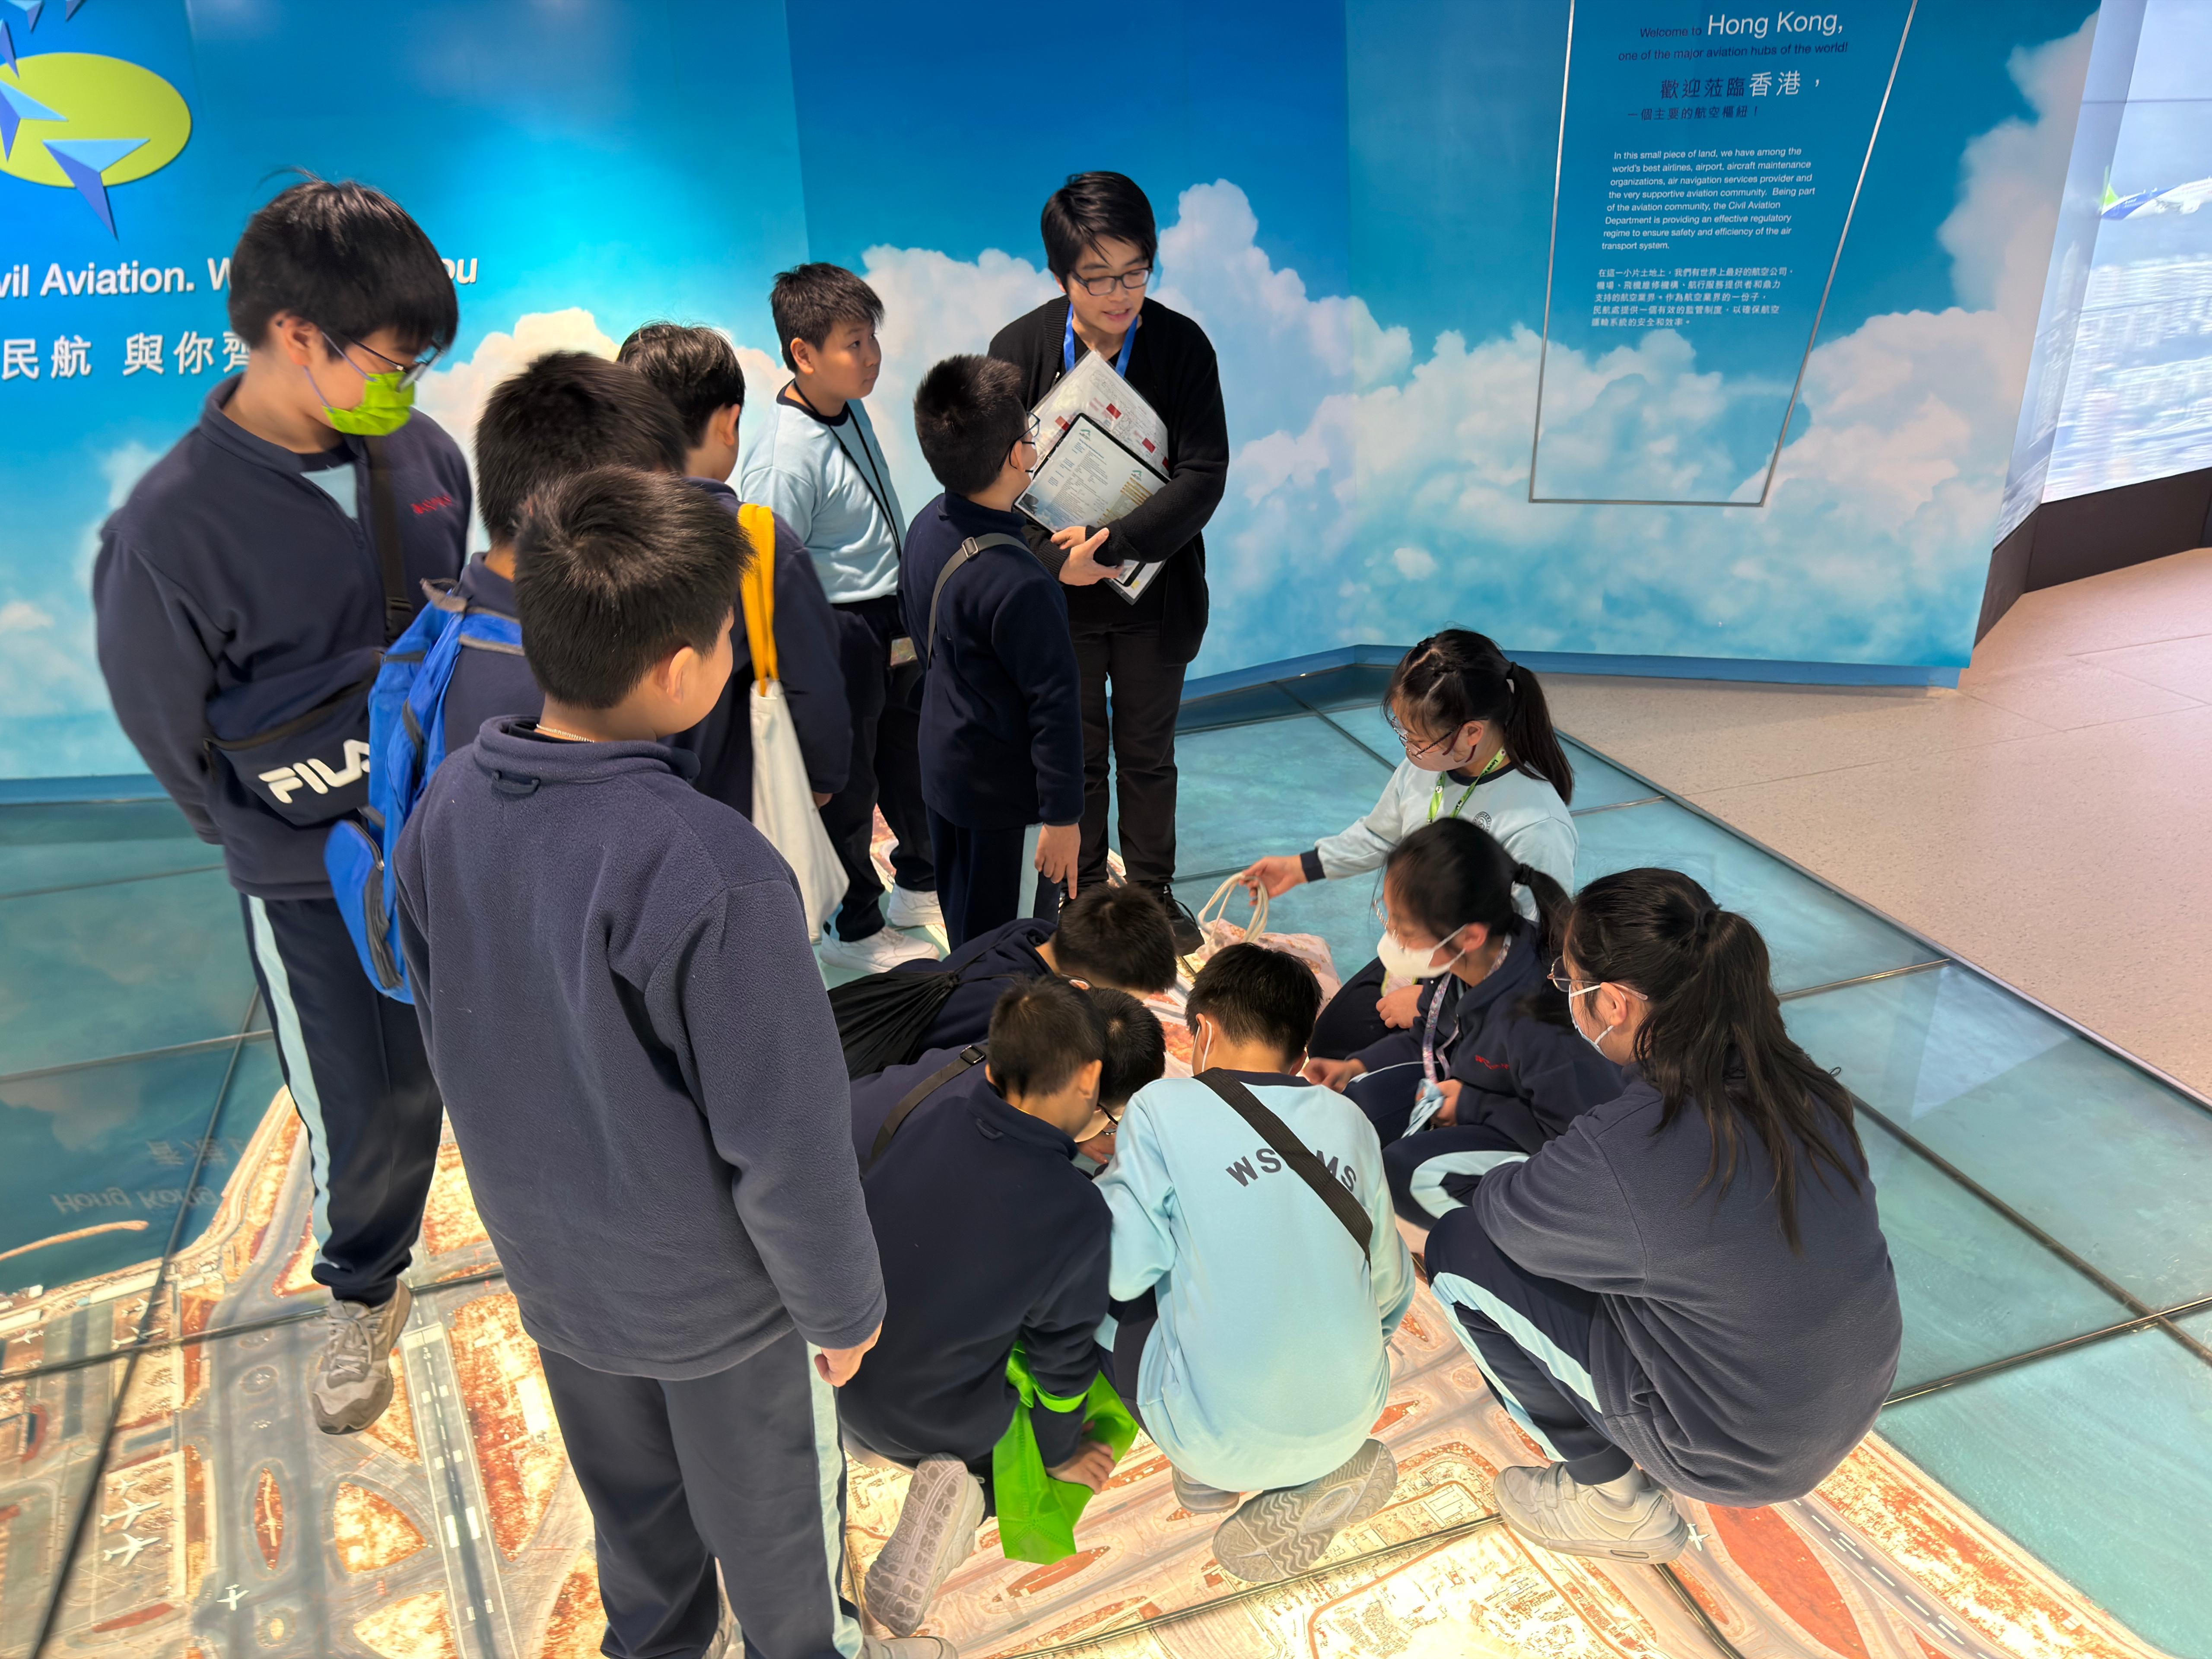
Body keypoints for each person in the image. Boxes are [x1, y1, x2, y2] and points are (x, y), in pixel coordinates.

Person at [394, 467, 947, 1659]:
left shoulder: (445, 810)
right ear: (680, 669)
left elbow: (451, 1038)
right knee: (783, 1552)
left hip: (562, 1283)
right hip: (723, 1316)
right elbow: (786, 1138)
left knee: (639, 1537)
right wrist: (844, 1306)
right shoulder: (714, 869)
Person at [92, 179, 466, 1437]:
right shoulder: (167, 531)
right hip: (308, 873)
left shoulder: (426, 458)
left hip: (443, 835)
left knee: (483, 1051)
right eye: (393, 361)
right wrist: (273, 834)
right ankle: (363, 1284)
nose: (407, 385)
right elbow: (172, 737)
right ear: (296, 333)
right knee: (367, 1103)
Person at [1424, 868, 1901, 1565]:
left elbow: (1507, 1215)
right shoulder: (1799, 1081)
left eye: (1568, 980)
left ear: (1614, 1004)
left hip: (1736, 1453)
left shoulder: (1629, 1148)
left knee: (1461, 1248)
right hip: (1848, 1394)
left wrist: (1538, 1171)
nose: (1564, 992)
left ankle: (1612, 1504)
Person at [840, 979, 1161, 1634]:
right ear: (1090, 1080)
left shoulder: (937, 1118)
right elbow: (1061, 1367)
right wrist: (1061, 1454)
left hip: (842, 1374)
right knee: (1103, 1374)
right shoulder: (1076, 1213)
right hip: (939, 1426)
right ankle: (976, 1495)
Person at [1098, 944, 1414, 1583]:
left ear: (1201, 1031)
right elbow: (1391, 1289)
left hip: (1210, 1433)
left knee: (1103, 1269)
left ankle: (1204, 1466)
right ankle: (1299, 1452)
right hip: (1357, 1413)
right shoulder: (1349, 1120)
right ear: (1298, 1059)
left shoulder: (1159, 1107)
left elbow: (1124, 1273)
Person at [990, 173, 1229, 955]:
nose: (1120, 294)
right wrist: (1052, 563)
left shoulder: (1182, 345)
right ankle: (1086, 892)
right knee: (1078, 753)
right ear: (1062, 275)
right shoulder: (1017, 350)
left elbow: (1205, 473)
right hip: (1060, 597)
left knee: (1149, 753)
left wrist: (1115, 546)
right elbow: (995, 482)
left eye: (1135, 273)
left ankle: (1152, 891)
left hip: (1154, 591)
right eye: (1098, 278)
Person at [1241, 632, 1580, 1062]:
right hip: (1422, 947)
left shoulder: (1537, 823)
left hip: (1478, 982)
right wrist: (1299, 867)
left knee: (1369, 1064)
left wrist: (1433, 1003)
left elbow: (1527, 958)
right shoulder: (1425, 767)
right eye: (1405, 733)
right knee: (1329, 1043)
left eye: (1419, 739)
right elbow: (1380, 835)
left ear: (1471, 732)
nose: (1410, 749)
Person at [741, 264, 936, 969]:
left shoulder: (847, 406)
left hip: (892, 619)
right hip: (838, 632)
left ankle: (919, 884)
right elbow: (767, 583)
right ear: (804, 353)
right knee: (849, 786)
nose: (872, 356)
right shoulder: (782, 458)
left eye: (872, 338)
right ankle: (852, 927)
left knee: (911, 764)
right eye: (855, 343)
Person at [1300, 819, 1621, 1229]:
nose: (1393, 938)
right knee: (1352, 1109)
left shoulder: (1541, 1021)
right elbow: (1427, 1038)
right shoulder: (1457, 965)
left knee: (1408, 1174)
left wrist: (1474, 1105)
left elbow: (1578, 1141)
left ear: (1469, 937)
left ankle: (1498, 1245)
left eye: (1405, 930)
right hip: (1478, 1095)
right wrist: (1355, 1067)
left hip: (1555, 1147)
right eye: (1390, 919)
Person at [615, 322, 853, 812]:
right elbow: (814, 681)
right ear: (729, 422)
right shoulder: (759, 539)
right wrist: (823, 779)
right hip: (731, 810)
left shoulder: (589, 536)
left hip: (617, 807)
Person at [901, 355, 1085, 948]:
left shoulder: (926, 525)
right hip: (1003, 802)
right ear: (1015, 457)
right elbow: (1056, 710)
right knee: (1007, 951)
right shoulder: (1022, 583)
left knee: (966, 929)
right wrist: (1063, 820)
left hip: (944, 766)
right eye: (1029, 435)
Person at [847, 979, 1168, 1171]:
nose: (1112, 1130)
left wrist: (1076, 1129)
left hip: (846, 1114)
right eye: (1113, 1121)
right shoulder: (1008, 1162)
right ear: (1086, 1094)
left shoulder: (1005, 1048)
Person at [886, 882, 1178, 1068]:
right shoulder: (1020, 1016)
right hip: (888, 1081)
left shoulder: (1032, 931)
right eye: (1122, 1002)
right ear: (1081, 986)